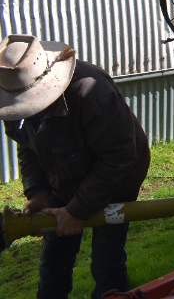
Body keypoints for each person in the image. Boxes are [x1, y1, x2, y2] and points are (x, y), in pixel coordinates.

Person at [0, 34, 150, 299]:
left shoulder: (92, 93)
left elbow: (119, 157)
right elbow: (26, 145)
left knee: (107, 259)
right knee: (53, 259)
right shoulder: (10, 94)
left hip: (116, 181)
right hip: (64, 176)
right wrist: (37, 192)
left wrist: (77, 210)